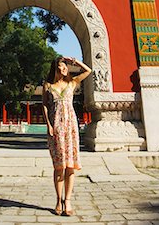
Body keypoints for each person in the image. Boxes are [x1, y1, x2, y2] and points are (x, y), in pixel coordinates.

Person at [42, 56, 92, 216]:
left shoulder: (72, 82)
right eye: (61, 67)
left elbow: (88, 71)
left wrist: (74, 62)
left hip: (70, 127)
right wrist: (48, 125)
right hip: (56, 127)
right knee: (59, 166)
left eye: (65, 67)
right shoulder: (48, 85)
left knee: (70, 165)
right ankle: (58, 200)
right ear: (55, 69)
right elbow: (44, 105)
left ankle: (68, 201)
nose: (64, 69)